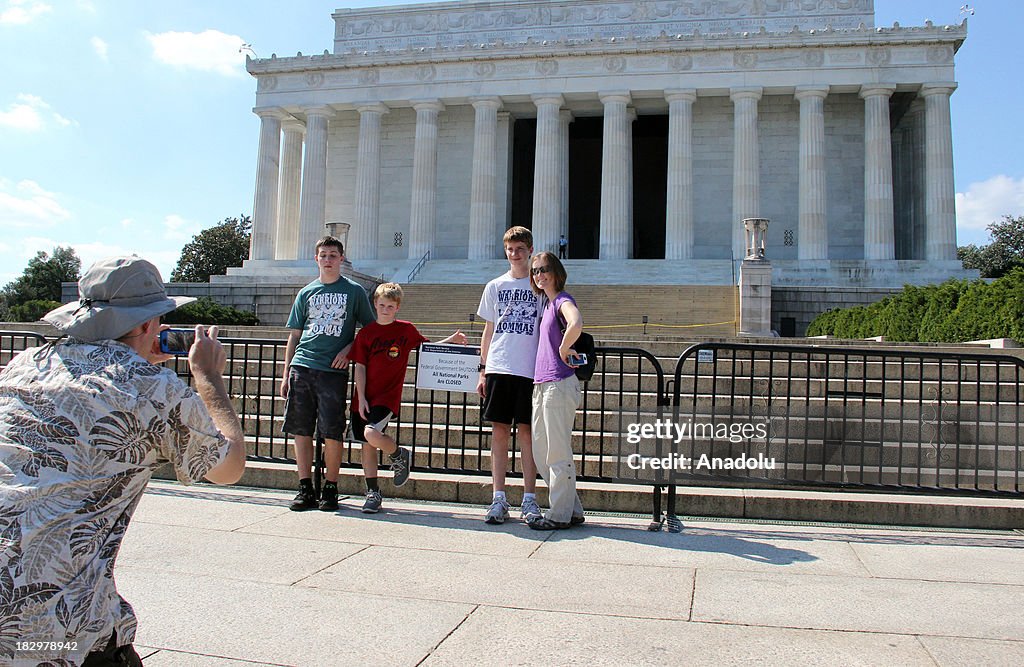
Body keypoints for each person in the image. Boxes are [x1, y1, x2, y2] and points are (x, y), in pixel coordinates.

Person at [0, 256, 246, 666]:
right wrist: (208, 377)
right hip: (50, 624)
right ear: (149, 324)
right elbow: (229, 466)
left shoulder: (25, 364)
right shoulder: (150, 388)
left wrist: (136, 362)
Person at [349, 282, 467, 513]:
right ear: (375, 304)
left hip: (387, 396)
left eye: (390, 306)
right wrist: (361, 397)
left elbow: (428, 350)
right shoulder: (366, 333)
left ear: (397, 307)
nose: (385, 309)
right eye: (382, 305)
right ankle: (373, 493)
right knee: (367, 445)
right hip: (364, 397)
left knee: (371, 433)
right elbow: (360, 367)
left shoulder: (406, 330)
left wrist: (451, 340)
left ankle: (398, 454)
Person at [281, 235, 375, 512]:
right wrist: (286, 374)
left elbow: (368, 331)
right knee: (301, 431)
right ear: (316, 259)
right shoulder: (306, 292)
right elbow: (294, 335)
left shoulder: (355, 291)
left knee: (332, 431)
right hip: (302, 365)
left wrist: (348, 349)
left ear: (341, 258)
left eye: (333, 255)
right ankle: (305, 487)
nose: (328, 260)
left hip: (332, 371)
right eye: (323, 255)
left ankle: (331, 487)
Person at [476, 226, 542, 524]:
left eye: (520, 249)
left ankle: (530, 498)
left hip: (529, 369)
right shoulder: (495, 286)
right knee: (499, 432)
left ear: (529, 250)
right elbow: (489, 330)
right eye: (510, 249)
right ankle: (498, 497)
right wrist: (482, 369)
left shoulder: (540, 286)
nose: (514, 254)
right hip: (500, 366)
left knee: (527, 434)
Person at [526, 251, 587, 530]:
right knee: (541, 451)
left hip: (559, 383)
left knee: (556, 452)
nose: (539, 275)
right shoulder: (548, 304)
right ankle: (572, 508)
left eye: (544, 269)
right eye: (536, 270)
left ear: (556, 271)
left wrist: (564, 347)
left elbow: (576, 322)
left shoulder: (562, 300)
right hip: (542, 384)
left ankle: (559, 515)